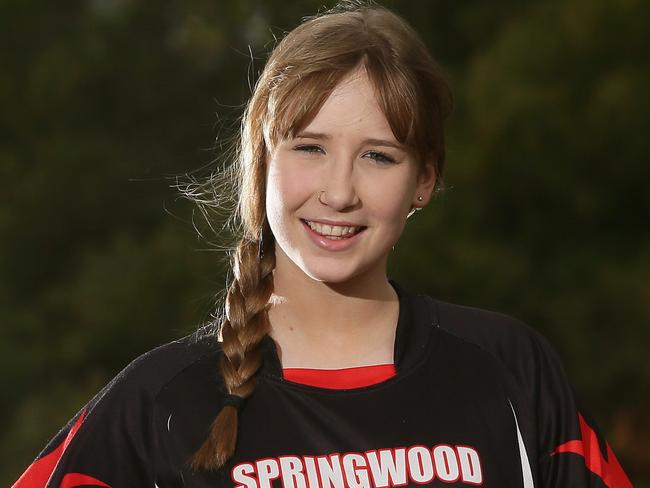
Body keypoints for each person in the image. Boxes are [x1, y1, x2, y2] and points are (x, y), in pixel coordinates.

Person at [14, 2, 632, 487]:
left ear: (424, 180)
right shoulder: (162, 402)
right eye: (310, 148)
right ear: (260, 164)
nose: (339, 193)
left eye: (378, 157)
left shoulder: (509, 371)